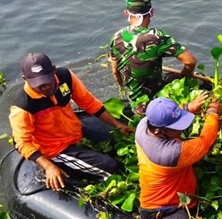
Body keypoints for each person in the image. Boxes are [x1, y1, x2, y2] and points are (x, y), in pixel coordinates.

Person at [9, 53, 133, 191]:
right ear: (25, 79)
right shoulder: (23, 106)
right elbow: (21, 142)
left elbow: (89, 102)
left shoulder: (65, 77)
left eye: (47, 82)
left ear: (54, 71)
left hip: (74, 129)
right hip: (54, 148)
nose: (44, 88)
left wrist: (117, 124)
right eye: (39, 85)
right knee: (111, 166)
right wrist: (48, 165)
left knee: (115, 140)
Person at [135, 95, 221, 219]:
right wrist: (213, 114)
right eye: (176, 127)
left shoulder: (144, 125)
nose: (182, 129)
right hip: (163, 210)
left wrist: (188, 107)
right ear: (160, 131)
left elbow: (163, 115)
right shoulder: (170, 153)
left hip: (179, 194)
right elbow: (206, 142)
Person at [107, 0, 199, 115]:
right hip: (156, 98)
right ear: (152, 13)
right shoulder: (157, 36)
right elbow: (190, 61)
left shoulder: (116, 37)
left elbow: (115, 71)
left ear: (126, 13)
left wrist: (121, 85)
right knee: (197, 79)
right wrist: (184, 74)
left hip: (136, 102)